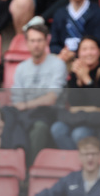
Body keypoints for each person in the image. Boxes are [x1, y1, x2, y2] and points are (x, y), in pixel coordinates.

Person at [6, 20, 68, 163]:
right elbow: (16, 99)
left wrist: (26, 105)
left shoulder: (57, 64)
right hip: (26, 114)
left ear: (46, 41)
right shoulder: (21, 68)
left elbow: (52, 98)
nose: (36, 44)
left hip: (49, 113)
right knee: (6, 118)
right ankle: (11, 165)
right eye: (32, 41)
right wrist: (22, 106)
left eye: (40, 40)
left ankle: (30, 167)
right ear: (27, 43)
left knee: (39, 127)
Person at [51, 36, 100, 150]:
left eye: (92, 48)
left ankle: (84, 164)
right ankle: (75, 163)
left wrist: (87, 80)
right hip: (81, 117)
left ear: (99, 51)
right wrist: (78, 81)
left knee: (79, 134)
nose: (88, 53)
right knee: (57, 129)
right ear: (78, 53)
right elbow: (74, 102)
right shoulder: (77, 70)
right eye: (84, 49)